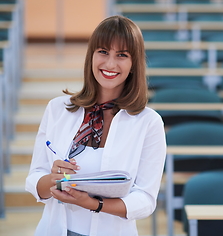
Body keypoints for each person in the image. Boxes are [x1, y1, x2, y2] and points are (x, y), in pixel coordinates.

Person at [25, 15, 167, 236]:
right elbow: (35, 178)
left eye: (122, 55)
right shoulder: (57, 109)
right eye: (103, 52)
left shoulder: (149, 122)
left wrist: (93, 204)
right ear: (91, 56)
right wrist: (52, 181)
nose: (110, 64)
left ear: (134, 64)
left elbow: (145, 200)